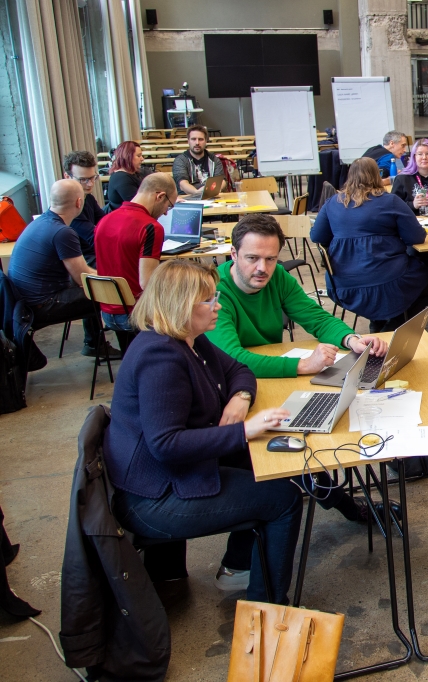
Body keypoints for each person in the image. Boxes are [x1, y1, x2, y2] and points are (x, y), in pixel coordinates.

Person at [104, 259, 302, 604]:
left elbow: (238, 368)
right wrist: (244, 430)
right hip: (154, 498)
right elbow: (165, 444)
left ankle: (239, 568)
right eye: (209, 301)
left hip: (165, 479)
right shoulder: (161, 359)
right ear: (180, 306)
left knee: (258, 467)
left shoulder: (188, 339)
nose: (218, 306)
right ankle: (268, 612)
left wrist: (240, 398)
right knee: (283, 498)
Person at [206, 214, 388, 525]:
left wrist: (351, 339)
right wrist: (304, 365)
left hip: (261, 382)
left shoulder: (277, 277)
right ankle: (342, 504)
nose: (262, 268)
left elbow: (315, 318)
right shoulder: (216, 293)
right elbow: (234, 358)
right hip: (231, 389)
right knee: (294, 441)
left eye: (271, 259)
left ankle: (339, 500)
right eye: (252, 258)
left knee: (316, 422)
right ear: (233, 255)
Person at [310, 158, 428, 333]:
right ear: (377, 175)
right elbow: (416, 236)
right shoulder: (390, 201)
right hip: (386, 281)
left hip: (342, 283)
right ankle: (392, 326)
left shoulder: (333, 203)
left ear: (350, 176)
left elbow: (317, 235)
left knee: (387, 277)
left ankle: (380, 321)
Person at [6, 179, 111, 357]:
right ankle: (102, 347)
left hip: (23, 303)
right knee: (111, 292)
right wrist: (115, 277)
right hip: (41, 305)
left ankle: (95, 343)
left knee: (99, 287)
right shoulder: (62, 232)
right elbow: (82, 277)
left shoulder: (41, 222)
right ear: (79, 202)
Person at [94, 172, 176, 351]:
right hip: (135, 315)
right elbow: (146, 283)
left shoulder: (104, 220)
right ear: (160, 196)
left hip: (106, 313)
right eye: (168, 206)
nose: (165, 212)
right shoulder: (151, 227)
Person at [61, 150, 104, 266]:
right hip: (83, 260)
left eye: (92, 178)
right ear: (67, 176)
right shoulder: (69, 206)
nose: (90, 184)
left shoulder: (88, 197)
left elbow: (105, 222)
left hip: (93, 253)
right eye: (83, 179)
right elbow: (95, 238)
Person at [171, 125, 226, 195]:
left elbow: (222, 181)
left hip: (211, 196)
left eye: (200, 139)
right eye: (193, 139)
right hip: (188, 199)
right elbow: (182, 184)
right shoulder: (180, 160)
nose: (197, 143)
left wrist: (217, 189)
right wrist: (197, 193)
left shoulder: (214, 160)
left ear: (206, 141)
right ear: (188, 141)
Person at [105, 141, 144, 213]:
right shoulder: (121, 178)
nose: (142, 159)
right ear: (127, 157)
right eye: (138, 156)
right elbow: (138, 205)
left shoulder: (132, 173)